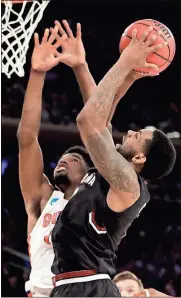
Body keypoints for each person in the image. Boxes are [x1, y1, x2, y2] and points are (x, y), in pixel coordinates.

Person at [49, 22, 176, 297]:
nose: (129, 131)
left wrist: (125, 62)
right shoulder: (114, 170)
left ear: (140, 157)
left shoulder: (129, 184)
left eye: (137, 134)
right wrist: (84, 67)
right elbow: (100, 115)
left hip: (89, 285)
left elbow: (88, 120)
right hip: (76, 284)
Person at [17, 26, 94, 297]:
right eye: (62, 158)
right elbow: (27, 139)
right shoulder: (42, 200)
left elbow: (100, 131)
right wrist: (37, 74)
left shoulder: (97, 199)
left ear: (88, 174)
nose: (63, 161)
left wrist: (81, 67)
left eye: (73, 159)